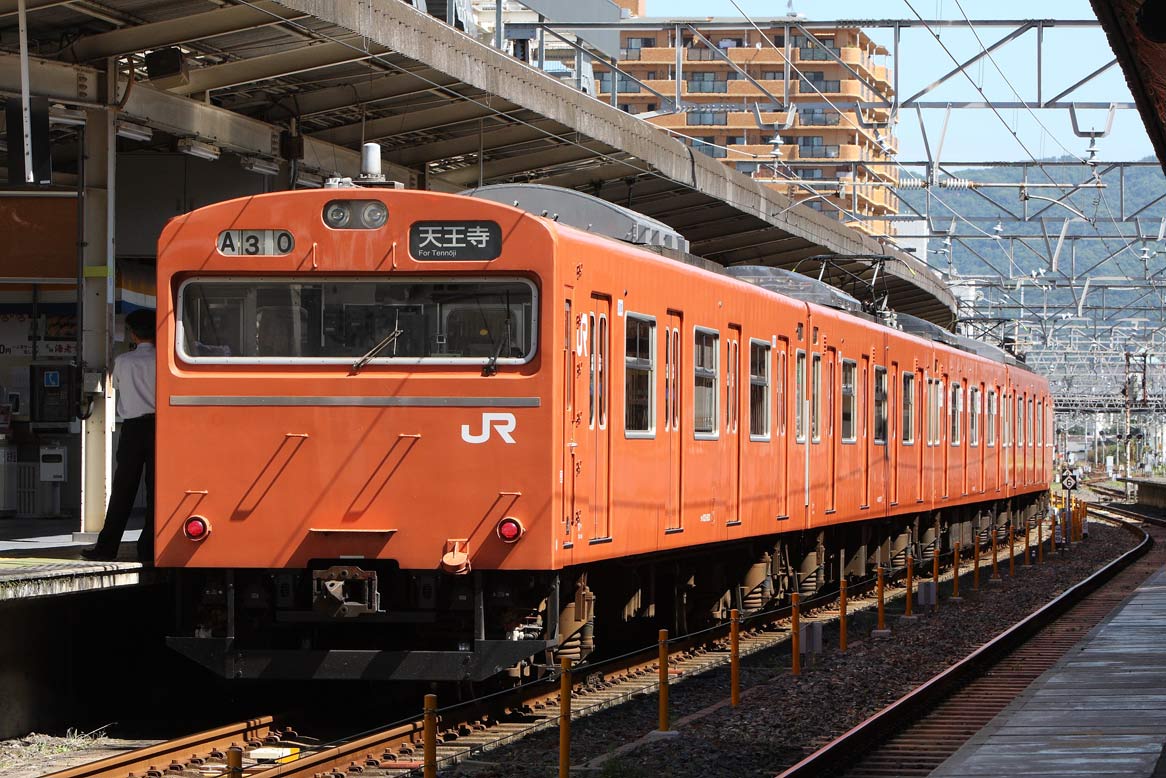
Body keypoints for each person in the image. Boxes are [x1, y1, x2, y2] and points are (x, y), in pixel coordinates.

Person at [82, 309, 155, 562]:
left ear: (133, 334)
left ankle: (106, 548)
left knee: (123, 489)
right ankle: (148, 548)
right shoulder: (163, 360)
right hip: (162, 430)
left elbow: (118, 386)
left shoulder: (124, 361)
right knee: (157, 490)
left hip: (132, 429)